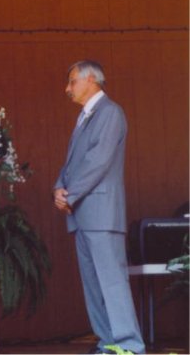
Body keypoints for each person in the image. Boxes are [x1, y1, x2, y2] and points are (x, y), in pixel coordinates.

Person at [53, 60, 145, 354]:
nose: (67, 89)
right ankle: (109, 342)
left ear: (91, 78)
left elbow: (98, 160)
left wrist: (70, 194)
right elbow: (73, 163)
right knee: (94, 285)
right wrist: (59, 187)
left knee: (112, 282)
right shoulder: (85, 117)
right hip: (84, 214)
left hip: (102, 214)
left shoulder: (110, 112)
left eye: (72, 82)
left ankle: (129, 345)